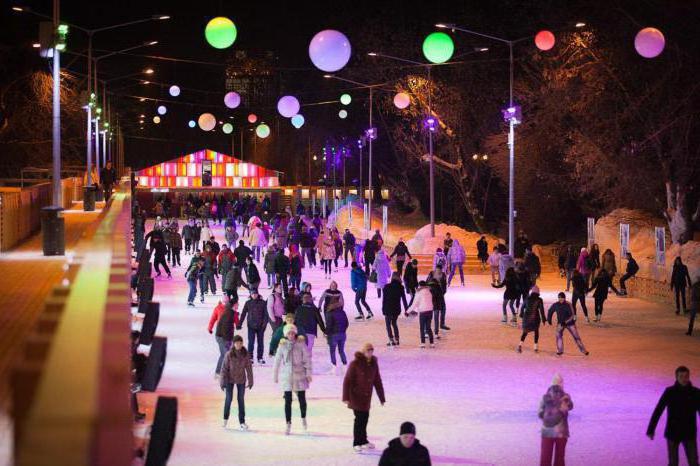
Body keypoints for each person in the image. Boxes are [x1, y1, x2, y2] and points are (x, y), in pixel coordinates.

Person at [647, 366, 700, 466]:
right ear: (676, 377)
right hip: (673, 433)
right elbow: (658, 410)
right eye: (681, 376)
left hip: (689, 433)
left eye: (686, 376)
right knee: (673, 463)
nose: (684, 379)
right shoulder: (670, 392)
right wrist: (651, 429)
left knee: (694, 462)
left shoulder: (696, 393)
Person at [342, 342, 386, 452]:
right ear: (363, 352)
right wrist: (346, 397)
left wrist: (382, 397)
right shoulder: (355, 364)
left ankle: (363, 440)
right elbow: (347, 381)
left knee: (364, 418)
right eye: (368, 351)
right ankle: (357, 442)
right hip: (355, 396)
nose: (370, 353)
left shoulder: (373, 364)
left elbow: (377, 381)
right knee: (359, 419)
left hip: (366, 398)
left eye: (371, 351)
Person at [273, 324, 312, 435]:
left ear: (295, 333)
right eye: (289, 333)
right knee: (288, 401)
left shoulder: (301, 344)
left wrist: (308, 373)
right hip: (287, 377)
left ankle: (303, 418)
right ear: (286, 334)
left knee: (302, 400)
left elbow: (307, 360)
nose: (291, 335)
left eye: (292, 333)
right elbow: (277, 362)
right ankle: (288, 424)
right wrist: (275, 375)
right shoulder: (282, 346)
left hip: (299, 375)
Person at [539, 374, 574, 466]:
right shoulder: (566, 397)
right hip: (561, 432)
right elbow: (570, 407)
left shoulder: (545, 397)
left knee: (545, 458)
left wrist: (548, 416)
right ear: (562, 384)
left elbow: (540, 413)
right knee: (559, 459)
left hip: (546, 431)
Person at [220, 335, 253, 430]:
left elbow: (249, 368)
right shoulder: (229, 354)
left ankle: (242, 422)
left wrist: (250, 381)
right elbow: (224, 369)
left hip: (241, 379)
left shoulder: (245, 354)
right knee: (229, 399)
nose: (239, 345)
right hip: (229, 379)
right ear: (234, 344)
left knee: (241, 400)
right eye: (237, 343)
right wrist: (222, 382)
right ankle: (225, 419)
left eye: (240, 343)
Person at [208, 297, 238, 377]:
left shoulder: (232, 312)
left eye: (226, 302)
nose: (225, 303)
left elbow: (235, 320)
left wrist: (238, 324)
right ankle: (219, 373)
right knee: (225, 354)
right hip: (221, 335)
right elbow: (213, 318)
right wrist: (210, 328)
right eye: (224, 302)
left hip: (227, 335)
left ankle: (224, 372)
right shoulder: (218, 309)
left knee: (226, 354)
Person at [238, 290, 268, 364]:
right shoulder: (248, 303)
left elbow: (266, 315)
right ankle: (250, 357)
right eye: (252, 294)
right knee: (251, 342)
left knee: (260, 342)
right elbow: (243, 314)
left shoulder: (263, 303)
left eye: (255, 294)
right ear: (250, 295)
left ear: (258, 294)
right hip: (251, 326)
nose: (254, 295)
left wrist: (264, 325)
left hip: (260, 326)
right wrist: (239, 323)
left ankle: (260, 357)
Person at [325, 290, 349, 375]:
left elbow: (329, 325)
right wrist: (343, 330)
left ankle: (334, 367)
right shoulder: (342, 312)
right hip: (342, 334)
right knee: (341, 350)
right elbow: (346, 323)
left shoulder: (329, 313)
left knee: (332, 351)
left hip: (333, 335)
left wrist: (326, 333)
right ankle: (345, 365)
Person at [383, 272, 409, 346]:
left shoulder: (386, 287)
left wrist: (383, 309)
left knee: (388, 324)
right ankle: (397, 339)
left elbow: (384, 299)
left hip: (388, 308)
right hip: (396, 309)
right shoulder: (401, 287)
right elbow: (404, 299)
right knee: (394, 323)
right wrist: (406, 310)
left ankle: (391, 339)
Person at [518, 285, 546, 353]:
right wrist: (543, 319)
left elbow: (522, 307)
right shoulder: (539, 300)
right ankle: (535, 347)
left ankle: (520, 345)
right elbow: (541, 310)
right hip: (535, 318)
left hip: (526, 318)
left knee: (525, 332)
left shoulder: (527, 298)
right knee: (536, 331)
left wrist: (521, 314)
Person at [407, 281, 434, 348]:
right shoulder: (429, 291)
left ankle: (423, 343)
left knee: (422, 327)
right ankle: (432, 343)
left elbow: (414, 304)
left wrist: (407, 311)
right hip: (430, 311)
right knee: (428, 327)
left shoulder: (418, 293)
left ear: (419, 286)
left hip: (423, 311)